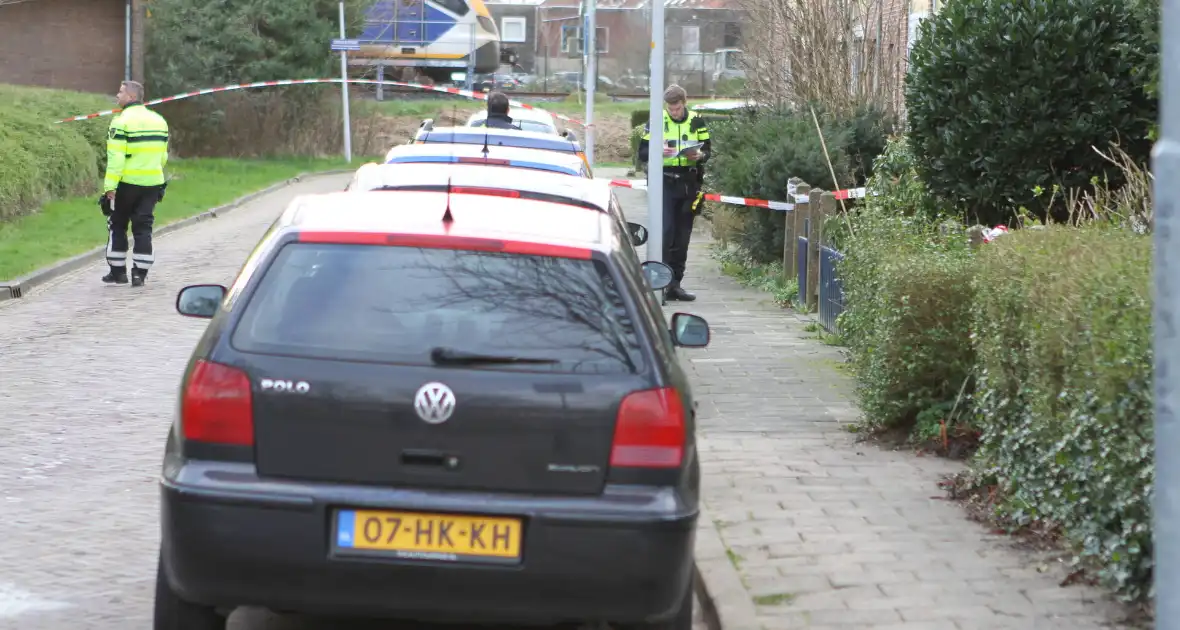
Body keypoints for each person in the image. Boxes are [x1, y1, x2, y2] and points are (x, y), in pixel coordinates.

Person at [637, 84, 710, 302]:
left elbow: (708, 149)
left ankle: (676, 284)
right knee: (665, 233)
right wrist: (658, 151)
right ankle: (661, 282)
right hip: (664, 182)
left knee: (683, 236)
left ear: (684, 103)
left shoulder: (697, 120)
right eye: (671, 108)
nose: (674, 112)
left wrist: (700, 156)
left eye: (677, 108)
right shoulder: (657, 120)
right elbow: (642, 153)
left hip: (688, 183)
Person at [102, 80, 169, 287]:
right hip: (152, 183)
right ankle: (140, 274)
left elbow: (116, 158)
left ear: (131, 97)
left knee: (117, 225)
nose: (117, 95)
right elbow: (162, 156)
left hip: (126, 183)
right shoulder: (159, 121)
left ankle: (118, 272)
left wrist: (110, 187)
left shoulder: (120, 122)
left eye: (120, 92)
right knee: (143, 227)